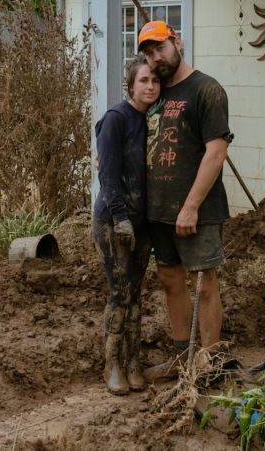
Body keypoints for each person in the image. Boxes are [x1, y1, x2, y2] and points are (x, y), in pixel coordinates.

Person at [137, 21, 233, 379]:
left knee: (204, 282)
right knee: (170, 280)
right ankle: (182, 359)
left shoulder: (207, 90)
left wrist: (191, 205)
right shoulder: (154, 91)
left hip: (198, 211)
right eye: (148, 52)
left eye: (160, 47)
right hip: (158, 210)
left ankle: (210, 366)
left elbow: (216, 152)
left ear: (177, 42)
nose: (155, 57)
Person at [93, 55, 160, 394]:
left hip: (143, 221)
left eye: (154, 81)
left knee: (136, 293)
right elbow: (106, 174)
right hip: (113, 221)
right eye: (143, 80)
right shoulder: (116, 119)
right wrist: (120, 218)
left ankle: (134, 362)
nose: (150, 86)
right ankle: (112, 365)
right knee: (119, 293)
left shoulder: (152, 120)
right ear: (130, 84)